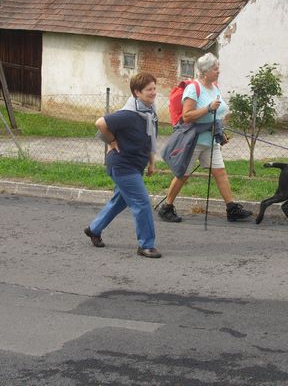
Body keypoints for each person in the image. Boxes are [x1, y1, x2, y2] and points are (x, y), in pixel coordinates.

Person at [158, 52, 252, 223]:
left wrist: (220, 133)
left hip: (211, 140)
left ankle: (231, 208)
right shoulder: (193, 88)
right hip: (194, 141)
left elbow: (216, 115)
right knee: (183, 174)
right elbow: (187, 116)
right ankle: (167, 207)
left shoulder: (214, 88)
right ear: (206, 71)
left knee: (220, 172)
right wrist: (208, 108)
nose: (218, 71)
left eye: (218, 68)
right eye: (215, 69)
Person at [84, 72, 162, 258]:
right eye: (149, 89)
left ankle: (94, 229)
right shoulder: (128, 114)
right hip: (122, 166)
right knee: (142, 203)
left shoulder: (149, 112)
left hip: (135, 165)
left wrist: (151, 163)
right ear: (137, 92)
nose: (153, 92)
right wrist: (112, 141)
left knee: (120, 201)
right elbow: (100, 123)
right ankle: (146, 245)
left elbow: (148, 139)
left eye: (154, 88)